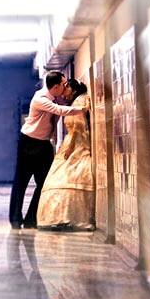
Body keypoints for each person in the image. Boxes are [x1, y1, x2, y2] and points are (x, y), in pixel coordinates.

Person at [9, 71, 89, 229]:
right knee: (21, 182)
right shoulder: (40, 99)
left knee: (44, 183)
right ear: (56, 86)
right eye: (64, 84)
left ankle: (31, 219)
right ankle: (15, 219)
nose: (66, 86)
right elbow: (60, 110)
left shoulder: (58, 96)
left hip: (44, 144)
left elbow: (69, 98)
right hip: (29, 142)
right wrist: (83, 109)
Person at [37, 78, 95, 231]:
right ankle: (59, 217)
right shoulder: (73, 102)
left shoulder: (79, 101)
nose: (63, 92)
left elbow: (77, 128)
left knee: (69, 175)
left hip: (77, 144)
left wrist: (70, 147)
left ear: (73, 89)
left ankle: (69, 217)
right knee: (58, 176)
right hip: (70, 142)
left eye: (66, 88)